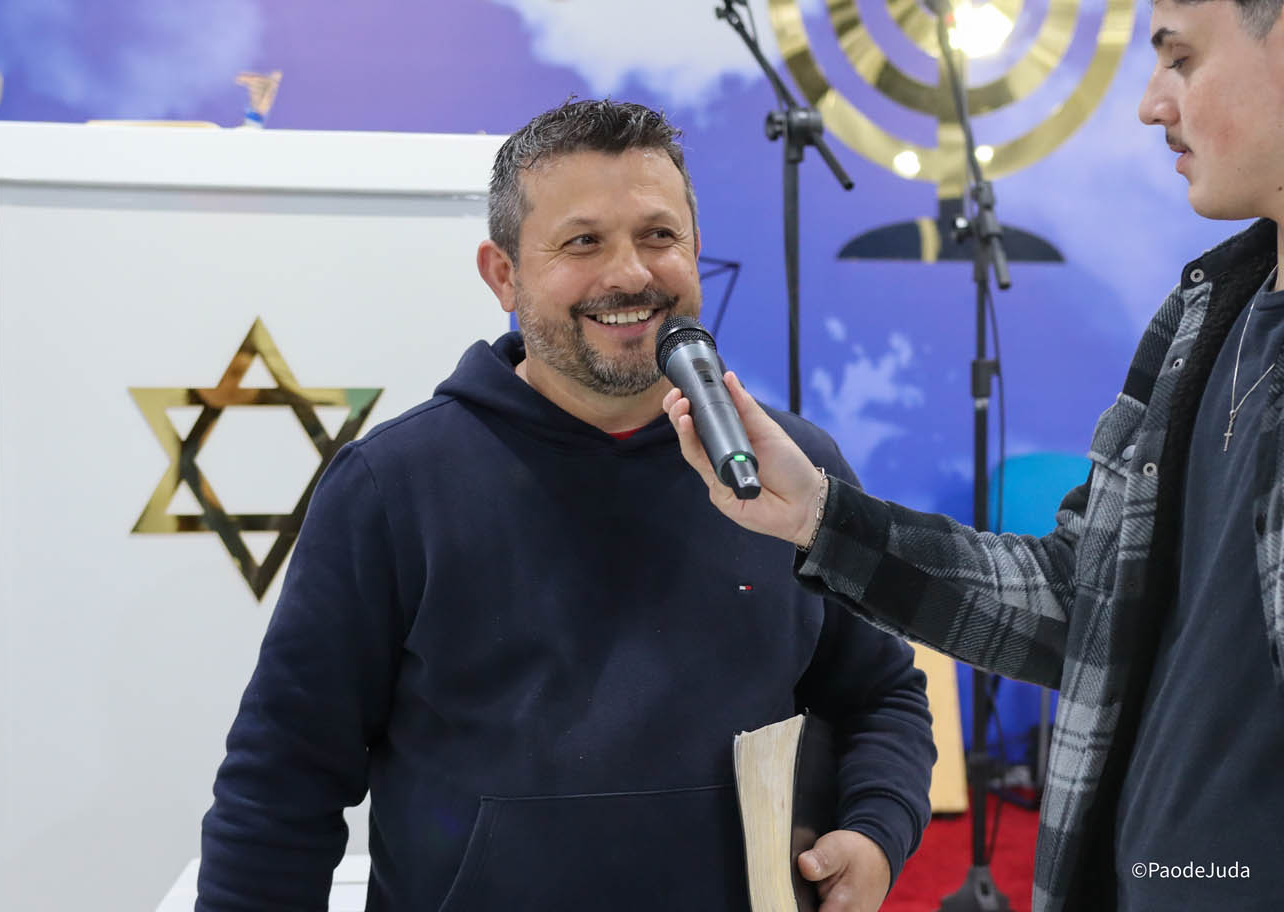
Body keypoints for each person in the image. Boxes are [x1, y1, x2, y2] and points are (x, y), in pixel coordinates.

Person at [195, 100, 935, 912]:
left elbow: (881, 695)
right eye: (583, 242)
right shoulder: (391, 487)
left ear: (695, 251)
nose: (631, 275)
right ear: (503, 274)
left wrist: (876, 831)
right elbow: (283, 781)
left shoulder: (791, 472)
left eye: (659, 235)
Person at [664, 2, 1284, 910]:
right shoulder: (1201, 317)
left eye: (1181, 59)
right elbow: (1081, 603)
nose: (1152, 104)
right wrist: (822, 518)